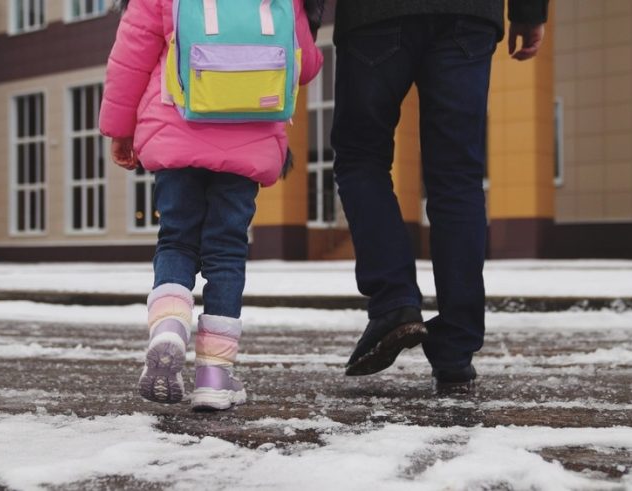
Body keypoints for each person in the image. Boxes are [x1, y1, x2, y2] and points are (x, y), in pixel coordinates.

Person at [99, 0, 323, 411]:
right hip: (248, 135)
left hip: (175, 125)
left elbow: (129, 59)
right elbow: (304, 65)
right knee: (226, 252)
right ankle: (214, 377)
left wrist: (119, 129)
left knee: (177, 240)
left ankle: (168, 327)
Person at [332, 0, 548, 392]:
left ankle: (394, 301)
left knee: (361, 157)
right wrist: (529, 12)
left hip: (374, 16)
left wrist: (301, 19)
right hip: (467, 14)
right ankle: (455, 350)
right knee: (457, 177)